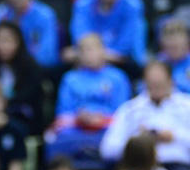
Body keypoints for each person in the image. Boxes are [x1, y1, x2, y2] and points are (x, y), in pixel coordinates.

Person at [99, 61, 190, 170]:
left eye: (160, 84)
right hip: (139, 169)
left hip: (178, 167)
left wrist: (175, 136)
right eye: (151, 84)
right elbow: (108, 150)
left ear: (171, 81)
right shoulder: (130, 109)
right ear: (144, 83)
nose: (155, 88)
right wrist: (138, 142)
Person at [46, 34, 131, 162]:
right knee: (52, 139)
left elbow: (123, 111)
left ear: (103, 51)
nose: (88, 54)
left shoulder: (118, 77)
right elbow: (62, 113)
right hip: (76, 128)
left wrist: (100, 119)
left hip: (107, 128)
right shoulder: (70, 79)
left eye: (92, 49)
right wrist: (80, 118)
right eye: (83, 50)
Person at [67, 0, 147, 71]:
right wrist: (93, 53)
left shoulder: (133, 5)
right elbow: (81, 37)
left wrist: (98, 54)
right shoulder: (82, 4)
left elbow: (126, 44)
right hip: (88, 58)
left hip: (122, 61)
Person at [0, 20, 46, 133]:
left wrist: (3, 105)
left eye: (6, 41)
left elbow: (30, 99)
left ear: (18, 42)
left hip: (22, 118)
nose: (1, 46)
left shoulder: (31, 68)